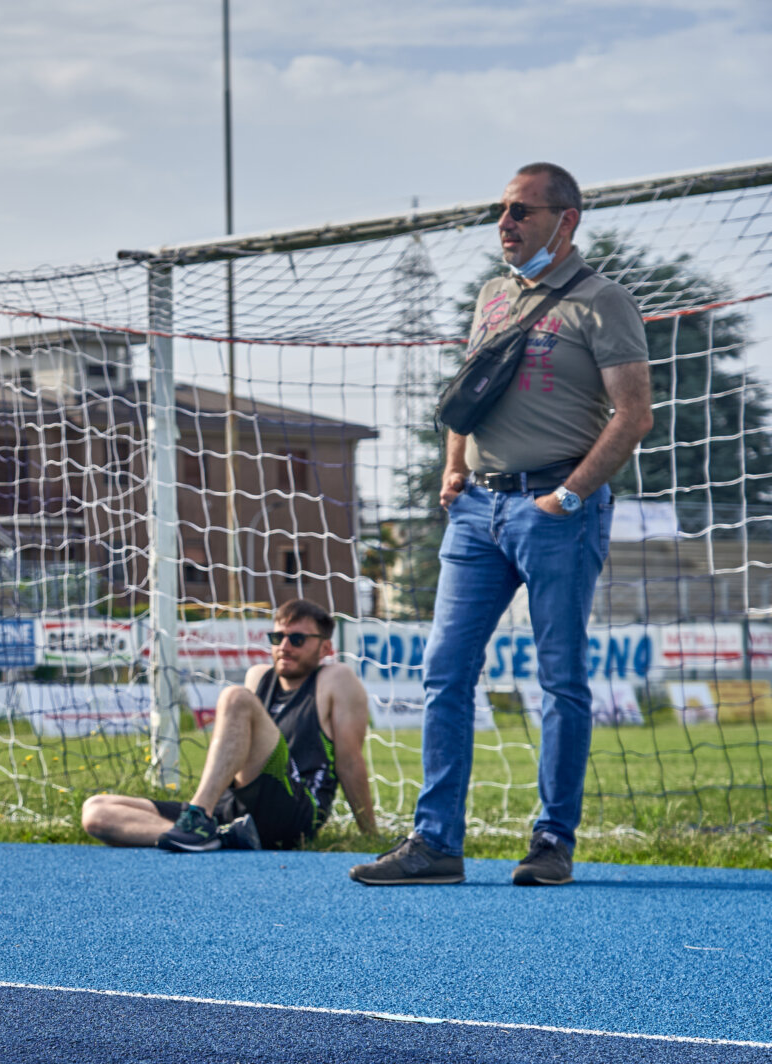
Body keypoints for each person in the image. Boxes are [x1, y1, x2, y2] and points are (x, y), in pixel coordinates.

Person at [350, 162, 652, 888]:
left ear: (566, 219)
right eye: (501, 211)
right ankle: (435, 843)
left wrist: (571, 497)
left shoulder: (604, 302)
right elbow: (469, 394)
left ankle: (551, 843)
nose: (505, 224)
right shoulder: (491, 296)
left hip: (555, 511)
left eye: (520, 211)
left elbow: (634, 415)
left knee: (561, 680)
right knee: (444, 671)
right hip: (477, 511)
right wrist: (454, 466)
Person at [81, 600, 376, 852]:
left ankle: (198, 817)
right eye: (277, 638)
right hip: (232, 809)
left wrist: (371, 836)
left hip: (295, 811)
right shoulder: (260, 676)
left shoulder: (335, 678)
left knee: (235, 697)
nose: (284, 647)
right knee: (96, 812)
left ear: (325, 647)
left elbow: (349, 762)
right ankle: (221, 837)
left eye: (297, 639)